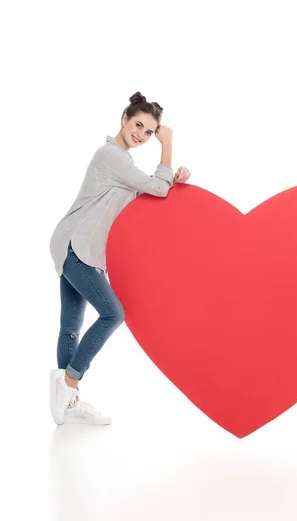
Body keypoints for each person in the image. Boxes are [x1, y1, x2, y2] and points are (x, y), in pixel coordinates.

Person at [49, 91, 191, 426]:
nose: (141, 135)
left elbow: (148, 191)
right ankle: (68, 385)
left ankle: (69, 402)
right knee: (113, 314)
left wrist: (172, 178)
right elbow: (154, 189)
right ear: (124, 118)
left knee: (70, 327)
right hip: (76, 245)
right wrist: (167, 146)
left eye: (149, 132)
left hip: (79, 246)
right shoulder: (110, 156)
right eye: (138, 125)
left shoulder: (122, 165)